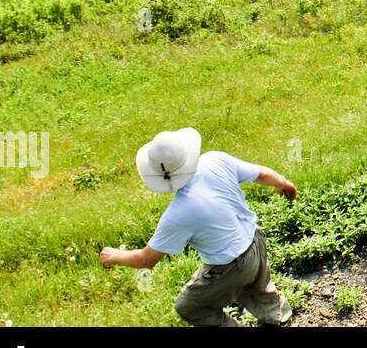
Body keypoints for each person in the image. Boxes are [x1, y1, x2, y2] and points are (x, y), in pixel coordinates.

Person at [98, 127, 298, 327]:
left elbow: (147, 259)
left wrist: (114, 256)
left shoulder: (178, 214)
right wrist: (282, 183)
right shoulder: (216, 160)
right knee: (258, 285)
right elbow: (261, 173)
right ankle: (279, 317)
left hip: (230, 267)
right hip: (255, 242)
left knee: (189, 307)